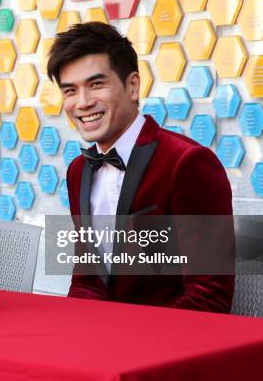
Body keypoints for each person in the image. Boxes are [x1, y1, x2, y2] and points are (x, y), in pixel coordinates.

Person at [46, 22, 234, 312]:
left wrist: (130, 341)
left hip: (171, 344)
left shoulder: (187, 163)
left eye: (96, 84)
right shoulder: (77, 170)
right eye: (70, 90)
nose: (82, 102)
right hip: (102, 343)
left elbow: (209, 295)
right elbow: (87, 281)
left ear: (133, 85)